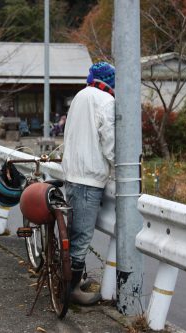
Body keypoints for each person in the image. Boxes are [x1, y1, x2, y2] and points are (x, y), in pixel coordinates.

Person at [62, 62, 115, 304]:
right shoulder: (106, 101)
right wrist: (118, 168)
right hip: (89, 178)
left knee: (72, 233)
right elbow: (110, 142)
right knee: (81, 237)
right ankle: (70, 290)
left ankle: (67, 281)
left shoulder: (80, 96)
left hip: (72, 174)